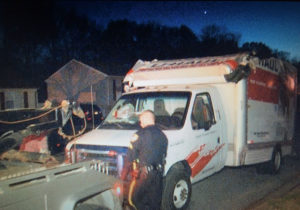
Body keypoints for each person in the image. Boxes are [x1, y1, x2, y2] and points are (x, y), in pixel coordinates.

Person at [121, 110, 168, 210]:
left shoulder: (139, 135)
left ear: (146, 119)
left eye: (141, 120)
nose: (140, 123)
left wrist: (122, 177)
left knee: (133, 201)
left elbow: (129, 159)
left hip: (143, 177)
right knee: (154, 204)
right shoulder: (163, 136)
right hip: (158, 176)